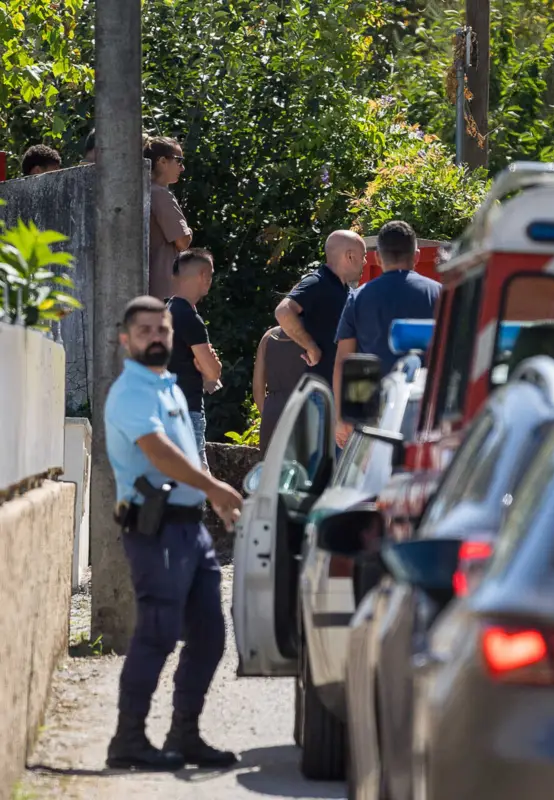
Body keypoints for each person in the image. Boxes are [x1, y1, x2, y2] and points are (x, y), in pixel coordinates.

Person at [103, 296, 243, 771]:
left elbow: (186, 453)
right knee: (157, 634)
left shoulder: (169, 386)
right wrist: (216, 488)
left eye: (161, 330)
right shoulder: (132, 391)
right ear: (126, 340)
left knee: (209, 635)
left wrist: (209, 501)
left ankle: (185, 734)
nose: (156, 338)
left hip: (189, 530)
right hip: (156, 531)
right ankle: (128, 740)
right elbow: (160, 454)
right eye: (144, 331)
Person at [333, 220, 439, 445]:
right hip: (424, 412)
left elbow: (344, 360)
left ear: (378, 258)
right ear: (416, 256)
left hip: (372, 416)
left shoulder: (357, 298)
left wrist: (343, 416)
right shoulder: (440, 294)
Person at [273, 229, 365, 388]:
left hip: (341, 391)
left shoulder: (346, 291)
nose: (364, 261)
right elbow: (283, 311)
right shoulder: (317, 282)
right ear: (350, 256)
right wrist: (311, 347)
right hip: (320, 391)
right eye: (363, 256)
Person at [166, 249, 222, 468]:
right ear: (203, 276)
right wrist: (211, 365)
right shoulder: (189, 318)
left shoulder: (166, 311)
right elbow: (212, 372)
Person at [145, 136, 193, 300]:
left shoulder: (141, 190)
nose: (182, 168)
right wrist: (189, 232)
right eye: (179, 161)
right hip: (163, 291)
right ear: (162, 161)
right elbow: (183, 241)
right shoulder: (160, 194)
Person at [252, 325, 308, 450]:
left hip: (273, 413)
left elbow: (257, 388)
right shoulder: (313, 335)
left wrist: (267, 413)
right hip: (305, 412)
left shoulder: (268, 336)